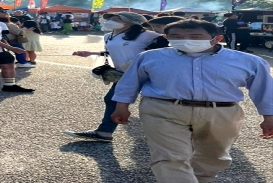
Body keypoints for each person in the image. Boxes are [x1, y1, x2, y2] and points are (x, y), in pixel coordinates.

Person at [111, 20, 273, 182]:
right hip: (162, 110)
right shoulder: (150, 57)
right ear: (167, 37)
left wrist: (269, 117)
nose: (186, 40)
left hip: (222, 113)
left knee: (213, 156)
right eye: (177, 37)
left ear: (217, 38)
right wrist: (121, 106)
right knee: (169, 158)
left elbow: (264, 89)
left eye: (195, 36)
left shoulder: (248, 61)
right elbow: (130, 83)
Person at [64, 12, 162, 142]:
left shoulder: (148, 35)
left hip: (149, 74)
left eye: (115, 19)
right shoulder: (108, 36)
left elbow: (165, 50)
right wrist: (91, 53)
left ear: (128, 22)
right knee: (111, 99)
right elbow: (112, 51)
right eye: (109, 19)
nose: (109, 21)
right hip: (124, 75)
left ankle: (172, 133)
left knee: (158, 102)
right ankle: (104, 132)